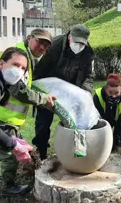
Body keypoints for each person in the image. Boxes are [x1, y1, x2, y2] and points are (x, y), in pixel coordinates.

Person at [33, 24, 95, 160]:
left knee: (79, 122)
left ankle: (77, 153)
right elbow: (39, 71)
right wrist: (41, 94)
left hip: (71, 94)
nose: (78, 45)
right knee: (43, 123)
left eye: (81, 43)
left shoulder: (87, 53)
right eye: (76, 42)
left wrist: (85, 93)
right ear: (69, 37)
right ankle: (41, 152)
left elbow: (88, 77)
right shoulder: (54, 46)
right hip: (49, 90)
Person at [0, 47, 35, 196]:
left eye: (23, 68)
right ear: (1, 64)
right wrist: (14, 145)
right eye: (15, 64)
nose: (18, 70)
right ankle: (8, 186)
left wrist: (10, 139)